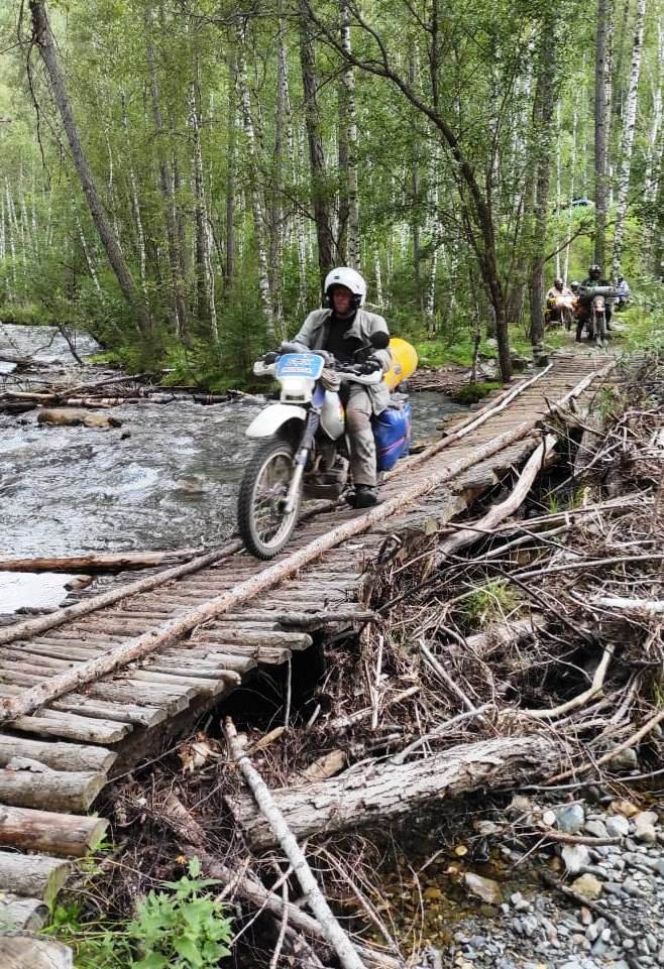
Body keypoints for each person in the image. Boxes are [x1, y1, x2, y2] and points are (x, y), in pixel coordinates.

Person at [289, 267, 392, 508]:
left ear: (356, 297)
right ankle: (280, 472)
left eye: (345, 294)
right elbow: (299, 343)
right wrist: (286, 352)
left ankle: (365, 484)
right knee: (292, 407)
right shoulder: (317, 318)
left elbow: (385, 352)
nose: (339, 299)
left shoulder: (373, 321)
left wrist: (375, 362)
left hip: (359, 382)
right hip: (320, 379)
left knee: (356, 417)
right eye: (336, 294)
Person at [576, 264, 612, 341]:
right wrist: (581, 290)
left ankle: (607, 324)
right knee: (582, 314)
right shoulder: (586, 281)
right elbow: (580, 289)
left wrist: (611, 291)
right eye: (594, 272)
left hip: (601, 302)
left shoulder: (604, 282)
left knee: (608, 311)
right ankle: (578, 336)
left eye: (597, 272)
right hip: (588, 302)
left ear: (600, 273)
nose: (596, 274)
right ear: (590, 273)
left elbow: (609, 289)